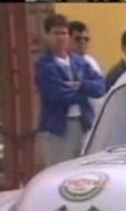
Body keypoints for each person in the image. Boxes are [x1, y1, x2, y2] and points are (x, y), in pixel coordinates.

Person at [35, 14, 105, 166]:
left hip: (84, 123)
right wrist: (85, 95)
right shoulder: (44, 65)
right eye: (56, 33)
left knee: (86, 169)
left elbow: (101, 86)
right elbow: (57, 95)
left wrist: (81, 86)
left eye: (64, 33)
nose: (60, 37)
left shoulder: (80, 62)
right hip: (59, 128)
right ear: (47, 35)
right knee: (60, 172)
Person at [68, 20, 104, 117]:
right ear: (68, 39)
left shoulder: (91, 61)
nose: (82, 42)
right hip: (75, 117)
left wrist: (82, 85)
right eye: (78, 38)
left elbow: (101, 87)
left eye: (86, 39)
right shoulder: (65, 62)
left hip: (95, 116)